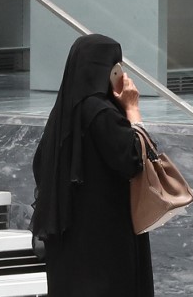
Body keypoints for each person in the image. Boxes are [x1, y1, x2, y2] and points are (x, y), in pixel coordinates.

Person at [31, 34, 154, 297]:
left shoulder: (62, 114)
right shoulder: (102, 113)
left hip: (68, 246)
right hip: (106, 245)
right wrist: (133, 111)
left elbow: (40, 165)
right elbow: (134, 159)